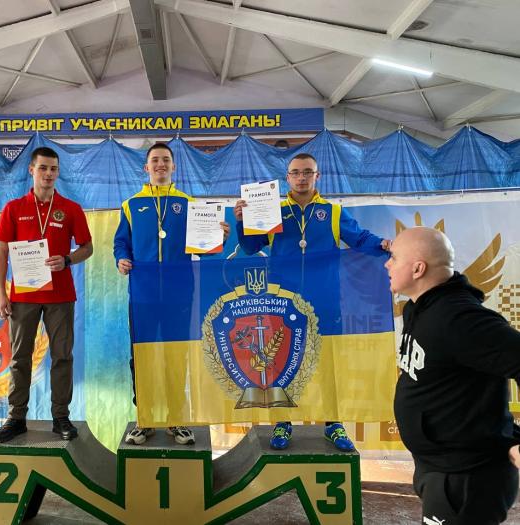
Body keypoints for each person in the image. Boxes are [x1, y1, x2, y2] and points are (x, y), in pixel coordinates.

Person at [233, 152, 390, 452]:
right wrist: (241, 222)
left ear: (317, 176)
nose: (301, 177)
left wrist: (382, 243)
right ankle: (283, 421)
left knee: (328, 362)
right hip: (284, 301)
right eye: (295, 173)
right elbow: (251, 247)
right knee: (282, 360)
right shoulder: (273, 211)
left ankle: (333, 423)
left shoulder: (332, 212)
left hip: (325, 299)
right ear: (287, 178)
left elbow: (359, 239)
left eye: (307, 172)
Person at [387, 227, 520, 525]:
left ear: (418, 268)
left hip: (468, 475)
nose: (387, 264)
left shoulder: (459, 319)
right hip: (438, 467)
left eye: (394, 258)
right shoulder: (418, 307)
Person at [114, 142, 229, 446]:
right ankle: (146, 418)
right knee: (142, 358)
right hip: (143, 294)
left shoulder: (188, 203)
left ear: (174, 166)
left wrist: (218, 237)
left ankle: (176, 418)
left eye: (166, 160)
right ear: (146, 167)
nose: (160, 164)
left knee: (177, 357)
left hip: (179, 294)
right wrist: (121, 259)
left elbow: (204, 249)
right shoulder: (131, 205)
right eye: (155, 160)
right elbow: (121, 242)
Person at [0, 146, 93, 443]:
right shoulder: (14, 208)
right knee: (19, 358)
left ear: (58, 172)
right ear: (31, 170)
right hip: (23, 296)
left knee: (62, 356)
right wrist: (0, 294)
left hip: (60, 296)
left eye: (53, 169)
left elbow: (87, 247)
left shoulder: (71, 208)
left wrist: (68, 260)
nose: (48, 174)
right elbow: (1, 251)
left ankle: (61, 416)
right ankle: (16, 417)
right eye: (43, 168)